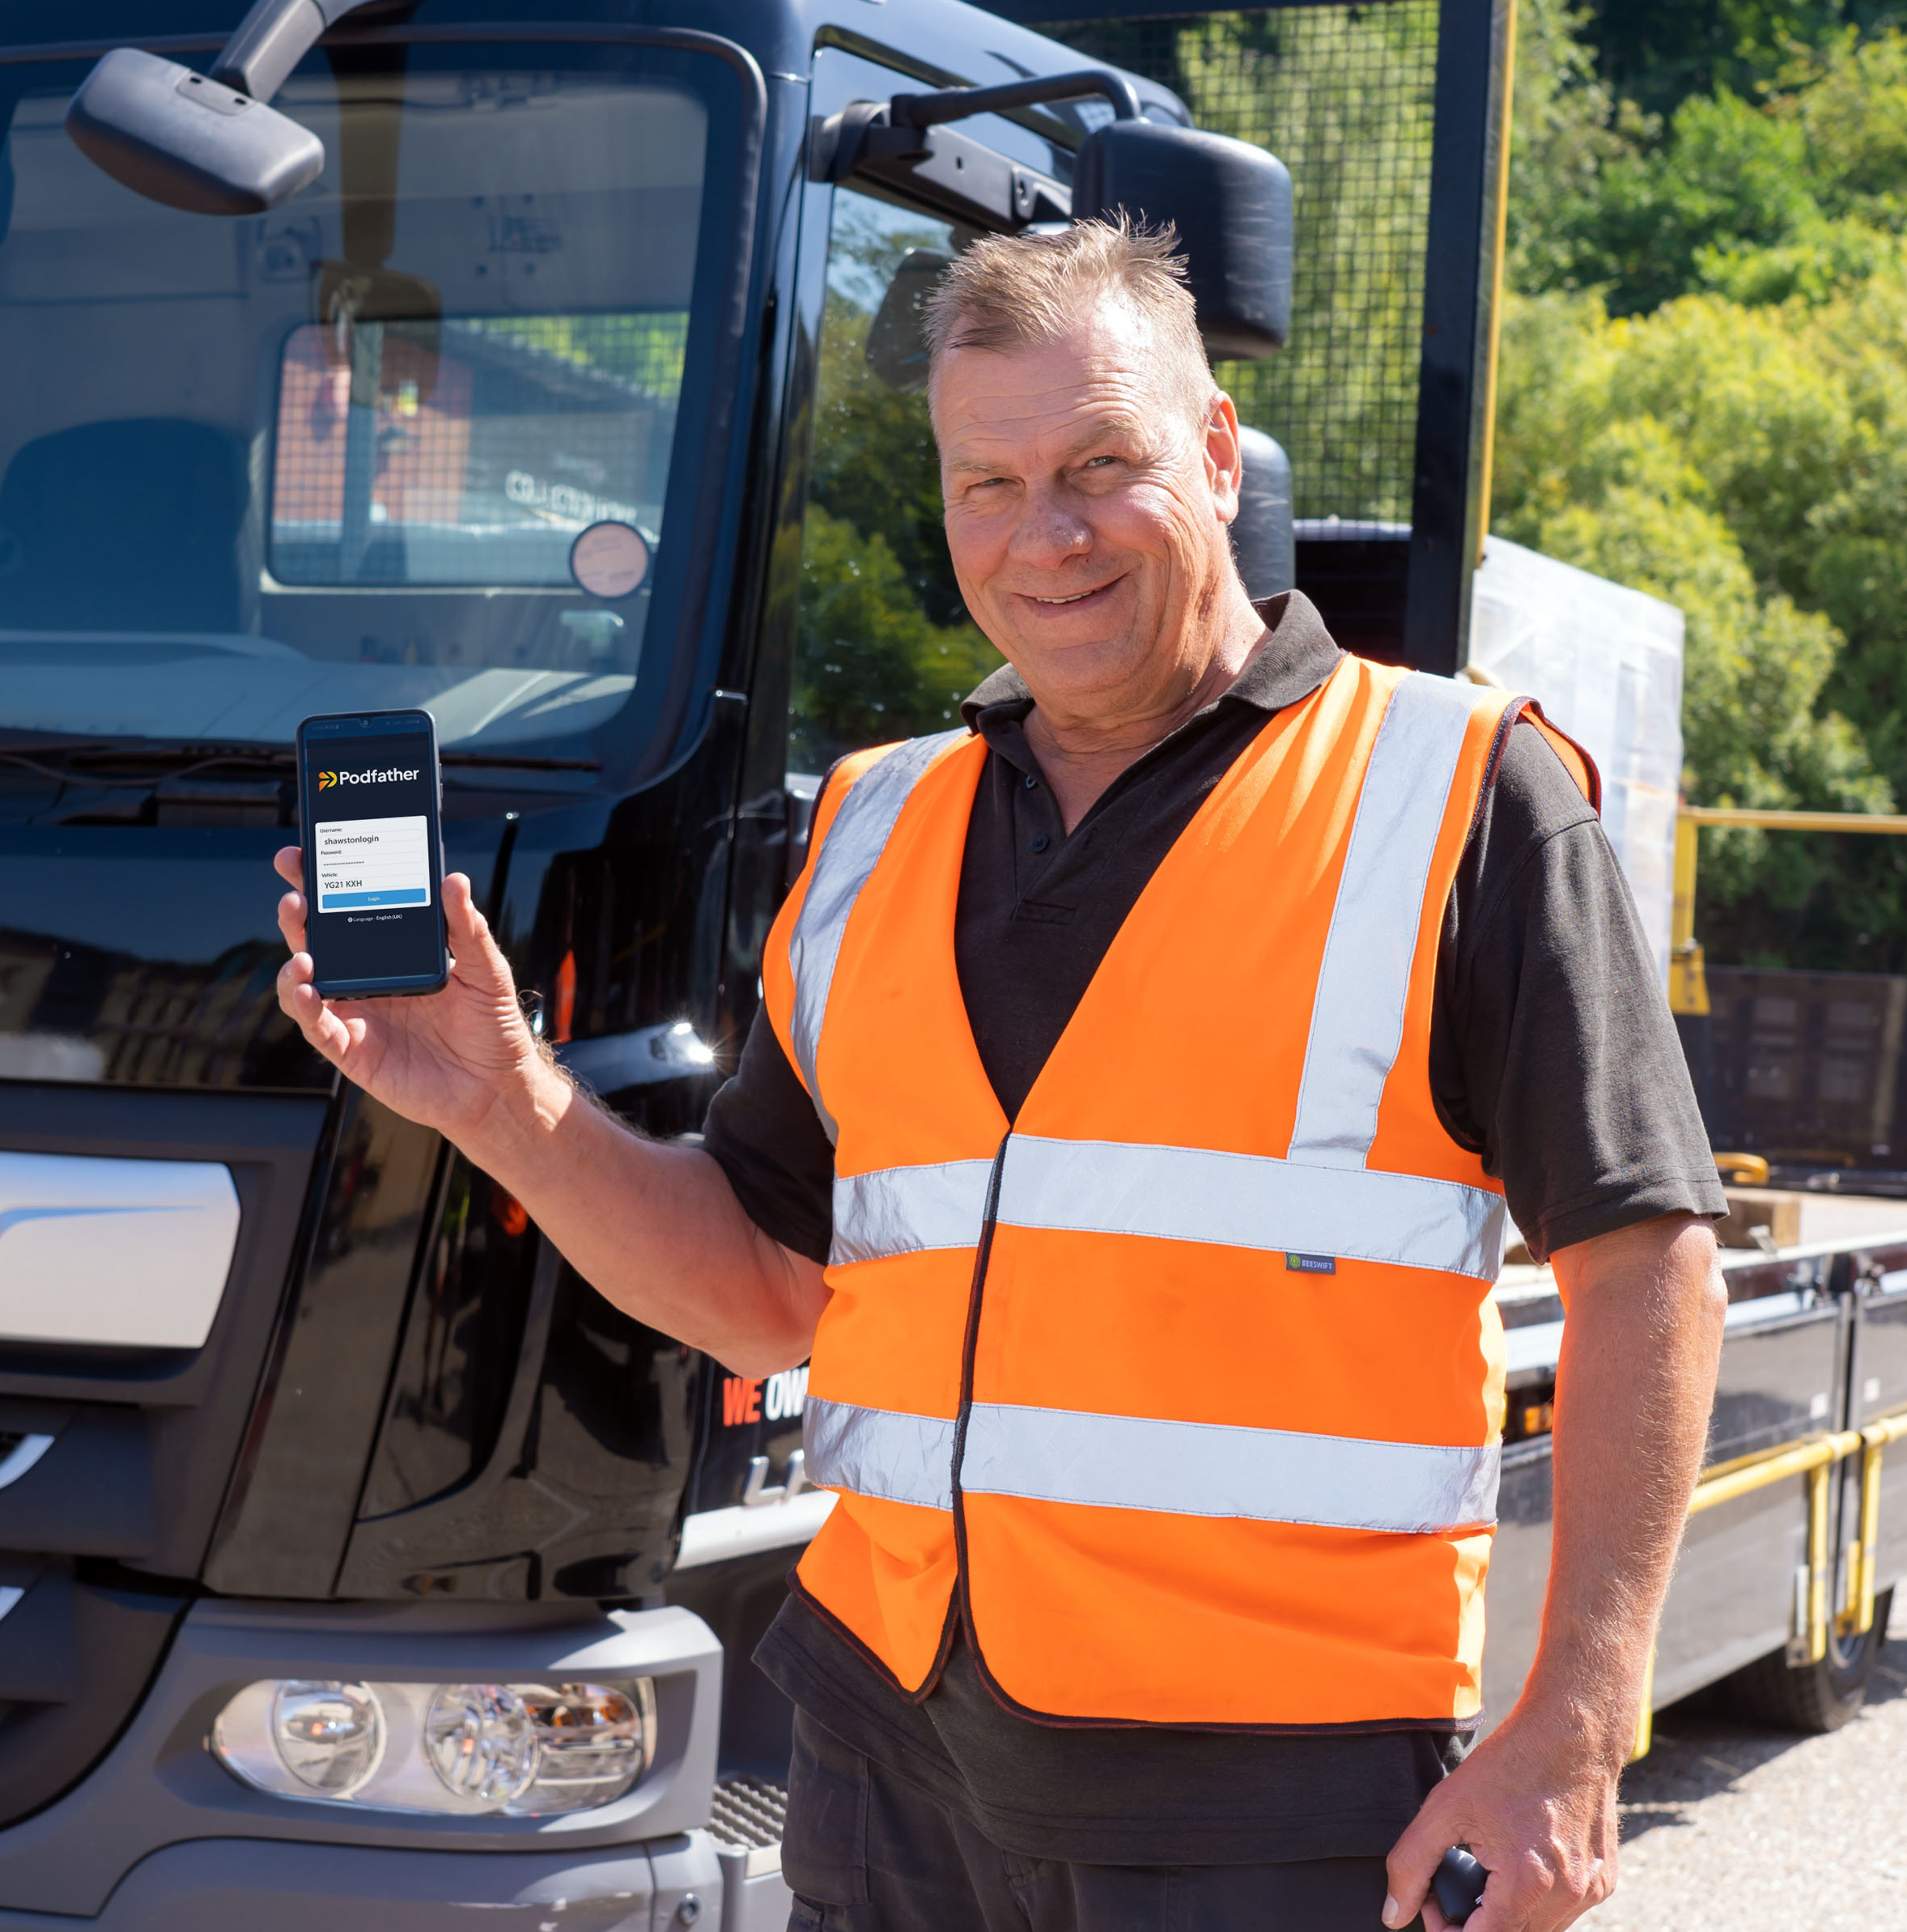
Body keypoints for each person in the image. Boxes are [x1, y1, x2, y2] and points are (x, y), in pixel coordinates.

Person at [270, 218, 1728, 1932]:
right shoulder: (875, 826)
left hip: (1269, 1789)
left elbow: (1650, 1267)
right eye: (990, 483)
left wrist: (1574, 1725)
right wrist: (500, 1100)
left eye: (1101, 465)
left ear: (1212, 451)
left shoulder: (1458, 792)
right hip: (890, 1765)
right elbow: (762, 1296)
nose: (1047, 534)